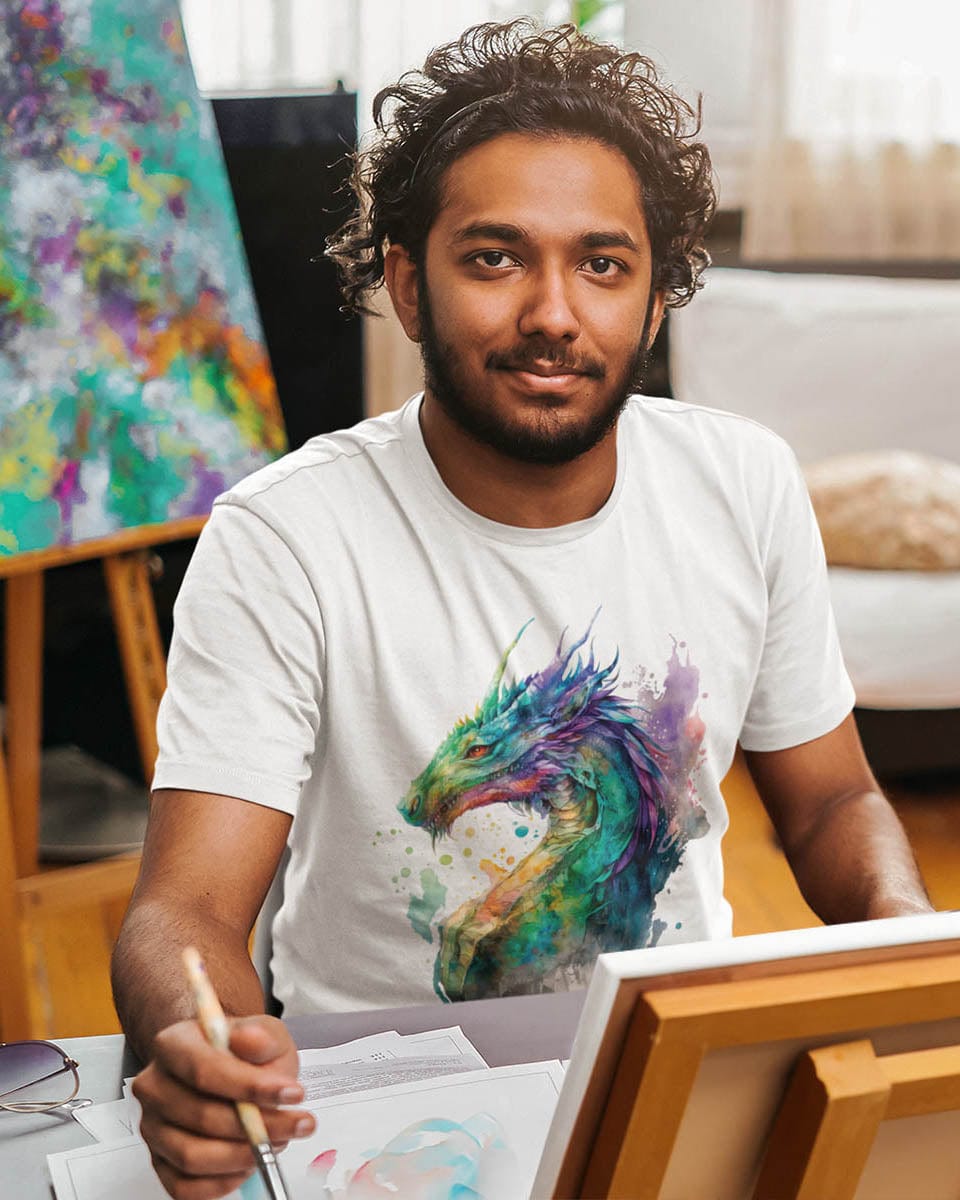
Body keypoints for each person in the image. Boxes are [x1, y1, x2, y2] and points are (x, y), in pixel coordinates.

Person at [112, 19, 933, 1199]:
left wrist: (909, 947)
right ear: (408, 283)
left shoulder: (744, 483)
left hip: (678, 1079)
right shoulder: (282, 537)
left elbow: (835, 802)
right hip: (368, 1111)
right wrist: (202, 1045)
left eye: (603, 264)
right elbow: (185, 908)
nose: (554, 312)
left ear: (655, 300)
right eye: (495, 258)